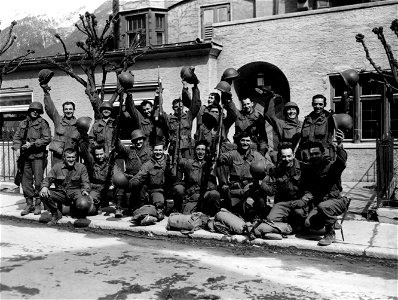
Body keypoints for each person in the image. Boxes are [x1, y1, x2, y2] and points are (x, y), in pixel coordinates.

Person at [303, 129, 349, 246]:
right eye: (312, 154)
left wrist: (339, 146)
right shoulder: (311, 169)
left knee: (324, 207)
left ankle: (330, 232)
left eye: (317, 153)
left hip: (336, 201)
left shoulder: (332, 166)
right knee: (308, 224)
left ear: (323, 154)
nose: (314, 156)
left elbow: (341, 162)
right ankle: (332, 221)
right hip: (321, 203)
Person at [218, 132, 272, 219]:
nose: (245, 143)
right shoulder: (233, 154)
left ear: (251, 142)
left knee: (260, 201)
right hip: (236, 188)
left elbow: (269, 166)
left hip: (251, 187)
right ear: (239, 141)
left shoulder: (256, 155)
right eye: (243, 140)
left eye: (248, 140)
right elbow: (221, 158)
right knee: (235, 211)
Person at [12, 102, 51, 216]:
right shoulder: (23, 123)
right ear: (29, 111)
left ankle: (38, 204)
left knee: (38, 181)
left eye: (37, 111)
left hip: (38, 156)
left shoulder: (43, 123)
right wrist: (17, 148)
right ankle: (29, 204)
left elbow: (47, 138)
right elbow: (17, 138)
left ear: (40, 112)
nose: (35, 112)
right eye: (33, 110)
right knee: (25, 181)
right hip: (25, 157)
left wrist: (33, 144)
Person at [264, 142, 313, 230]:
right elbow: (272, 191)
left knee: (299, 214)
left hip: (299, 202)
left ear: (293, 155)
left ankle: (296, 223)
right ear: (280, 156)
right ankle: (288, 224)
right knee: (270, 219)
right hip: (284, 203)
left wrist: (303, 200)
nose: (286, 159)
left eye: (289, 156)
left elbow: (311, 189)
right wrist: (261, 183)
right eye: (284, 156)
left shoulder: (304, 168)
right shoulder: (276, 170)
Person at [39, 148, 91, 226]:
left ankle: (80, 215)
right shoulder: (57, 167)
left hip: (75, 193)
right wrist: (44, 187)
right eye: (68, 157)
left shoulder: (81, 167)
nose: (71, 159)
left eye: (73, 157)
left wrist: (85, 190)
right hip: (61, 194)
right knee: (43, 194)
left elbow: (85, 182)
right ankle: (56, 214)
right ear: (64, 158)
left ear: (76, 157)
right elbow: (48, 178)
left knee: (83, 203)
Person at [172, 140, 220, 216]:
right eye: (198, 149)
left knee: (214, 194)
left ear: (206, 151)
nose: (200, 152)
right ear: (194, 151)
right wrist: (174, 145)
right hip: (193, 197)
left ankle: (214, 214)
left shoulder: (211, 165)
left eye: (203, 149)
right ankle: (178, 209)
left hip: (205, 197)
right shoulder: (189, 163)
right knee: (186, 219)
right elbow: (178, 160)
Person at [128, 142, 174, 217]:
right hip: (156, 190)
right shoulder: (148, 164)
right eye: (156, 150)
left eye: (160, 150)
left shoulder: (170, 161)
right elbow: (139, 175)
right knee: (159, 204)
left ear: (163, 150)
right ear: (153, 151)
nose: (158, 152)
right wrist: (131, 182)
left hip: (168, 189)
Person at [115, 129, 152, 216]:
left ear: (143, 139)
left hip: (142, 180)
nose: (138, 142)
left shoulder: (149, 153)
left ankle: (139, 210)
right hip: (130, 178)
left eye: (140, 139)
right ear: (133, 142)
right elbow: (119, 146)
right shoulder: (129, 151)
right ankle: (118, 208)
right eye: (136, 140)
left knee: (142, 192)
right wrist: (115, 136)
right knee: (119, 180)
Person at [41, 85, 80, 165]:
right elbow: (50, 109)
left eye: (70, 109)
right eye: (66, 109)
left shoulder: (78, 124)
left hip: (72, 157)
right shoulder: (58, 120)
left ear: (74, 110)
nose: (68, 111)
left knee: (73, 176)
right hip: (58, 157)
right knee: (58, 176)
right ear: (63, 111)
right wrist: (46, 94)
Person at [164, 81, 201, 160]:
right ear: (173, 108)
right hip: (174, 149)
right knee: (176, 171)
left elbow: (196, 105)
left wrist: (192, 87)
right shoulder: (169, 118)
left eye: (180, 106)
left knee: (188, 168)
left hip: (187, 148)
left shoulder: (188, 116)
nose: (179, 108)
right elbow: (160, 114)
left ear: (183, 107)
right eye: (176, 107)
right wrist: (158, 96)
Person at [299, 94, 335, 161]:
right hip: (307, 156)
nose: (317, 106)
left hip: (322, 156)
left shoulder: (329, 119)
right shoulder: (307, 119)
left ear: (325, 105)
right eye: (315, 104)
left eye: (320, 104)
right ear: (312, 104)